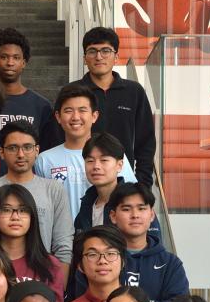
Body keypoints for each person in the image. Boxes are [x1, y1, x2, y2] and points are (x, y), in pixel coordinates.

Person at [0, 120, 73, 267]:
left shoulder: (53, 189)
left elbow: (63, 247)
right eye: (13, 148)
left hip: (41, 280)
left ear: (37, 150)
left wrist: (57, 288)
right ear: (2, 152)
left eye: (27, 147)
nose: (20, 154)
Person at [35, 83, 135, 216]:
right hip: (61, 236)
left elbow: (132, 197)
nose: (75, 117)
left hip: (106, 233)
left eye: (82, 110)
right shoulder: (44, 160)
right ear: (58, 117)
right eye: (68, 111)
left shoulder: (114, 155)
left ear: (94, 116)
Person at [76, 27, 156, 187]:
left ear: (116, 57)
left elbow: (145, 142)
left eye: (105, 50)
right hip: (82, 178)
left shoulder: (134, 92)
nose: (99, 57)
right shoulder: (74, 92)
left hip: (124, 179)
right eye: (92, 51)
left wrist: (143, 182)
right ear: (85, 58)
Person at [109, 182, 188, 302]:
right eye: (126, 209)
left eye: (141, 208)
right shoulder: (102, 259)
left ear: (152, 215)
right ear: (113, 216)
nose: (135, 215)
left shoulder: (170, 263)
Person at [0, 184, 65, 302]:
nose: (15, 217)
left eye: (22, 210)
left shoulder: (51, 265)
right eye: (6, 210)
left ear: (32, 217)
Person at [76, 132, 161, 238]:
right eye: (90, 161)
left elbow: (153, 245)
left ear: (119, 165)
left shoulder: (136, 202)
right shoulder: (87, 203)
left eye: (104, 160)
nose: (96, 166)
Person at [0, 27, 56, 149]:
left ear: (24, 63)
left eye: (16, 57)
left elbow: (46, 150)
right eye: (4, 57)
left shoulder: (41, 106)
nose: (10, 63)